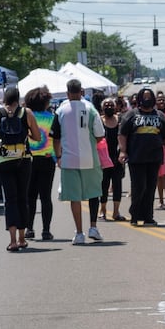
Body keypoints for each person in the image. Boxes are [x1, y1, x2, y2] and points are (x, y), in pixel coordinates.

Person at [52, 79, 106, 245]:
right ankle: (93, 227)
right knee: (94, 193)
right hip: (90, 158)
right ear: (81, 92)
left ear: (67, 93)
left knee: (74, 197)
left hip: (69, 159)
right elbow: (100, 134)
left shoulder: (60, 110)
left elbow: (55, 137)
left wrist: (58, 156)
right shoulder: (91, 109)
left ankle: (79, 233)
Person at [0, 86, 40, 252]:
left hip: (4, 161)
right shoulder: (27, 113)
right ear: (18, 98)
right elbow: (37, 137)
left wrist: (0, 139)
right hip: (23, 160)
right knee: (22, 198)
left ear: (4, 98)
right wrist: (26, 135)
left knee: (10, 200)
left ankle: (12, 241)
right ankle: (22, 238)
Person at [120, 87, 165, 227]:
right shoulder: (131, 115)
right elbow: (123, 134)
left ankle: (148, 216)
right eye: (144, 97)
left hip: (154, 157)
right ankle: (135, 214)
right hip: (136, 157)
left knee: (150, 188)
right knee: (139, 187)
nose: (147, 99)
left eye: (149, 96)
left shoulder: (160, 116)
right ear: (139, 99)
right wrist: (123, 151)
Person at [24, 89, 57, 241]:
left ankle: (29, 229)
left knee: (30, 196)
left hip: (28, 159)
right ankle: (46, 230)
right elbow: (57, 139)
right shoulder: (52, 118)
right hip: (47, 158)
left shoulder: (26, 117)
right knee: (45, 197)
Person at [99, 97, 126, 222]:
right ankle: (102, 210)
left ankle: (116, 212)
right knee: (103, 185)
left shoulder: (120, 120)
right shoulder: (99, 120)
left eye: (111, 105)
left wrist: (123, 152)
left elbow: (125, 137)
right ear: (102, 108)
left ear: (115, 107)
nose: (109, 107)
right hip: (103, 158)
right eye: (106, 105)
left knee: (117, 184)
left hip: (117, 158)